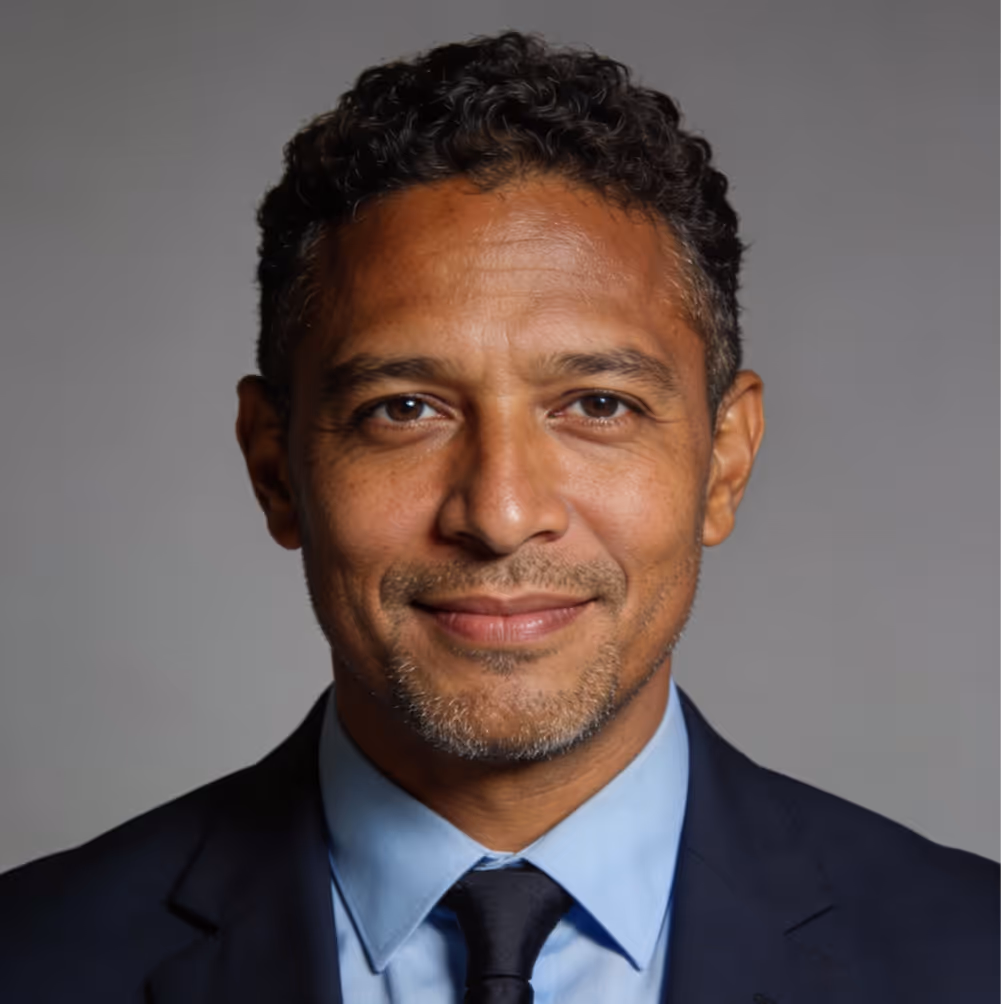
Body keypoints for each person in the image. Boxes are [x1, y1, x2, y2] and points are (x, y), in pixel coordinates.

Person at [0, 30, 997, 1004]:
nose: (502, 513)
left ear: (725, 461)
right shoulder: (34, 959)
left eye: (598, 404)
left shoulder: (971, 956)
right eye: (405, 408)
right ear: (276, 465)